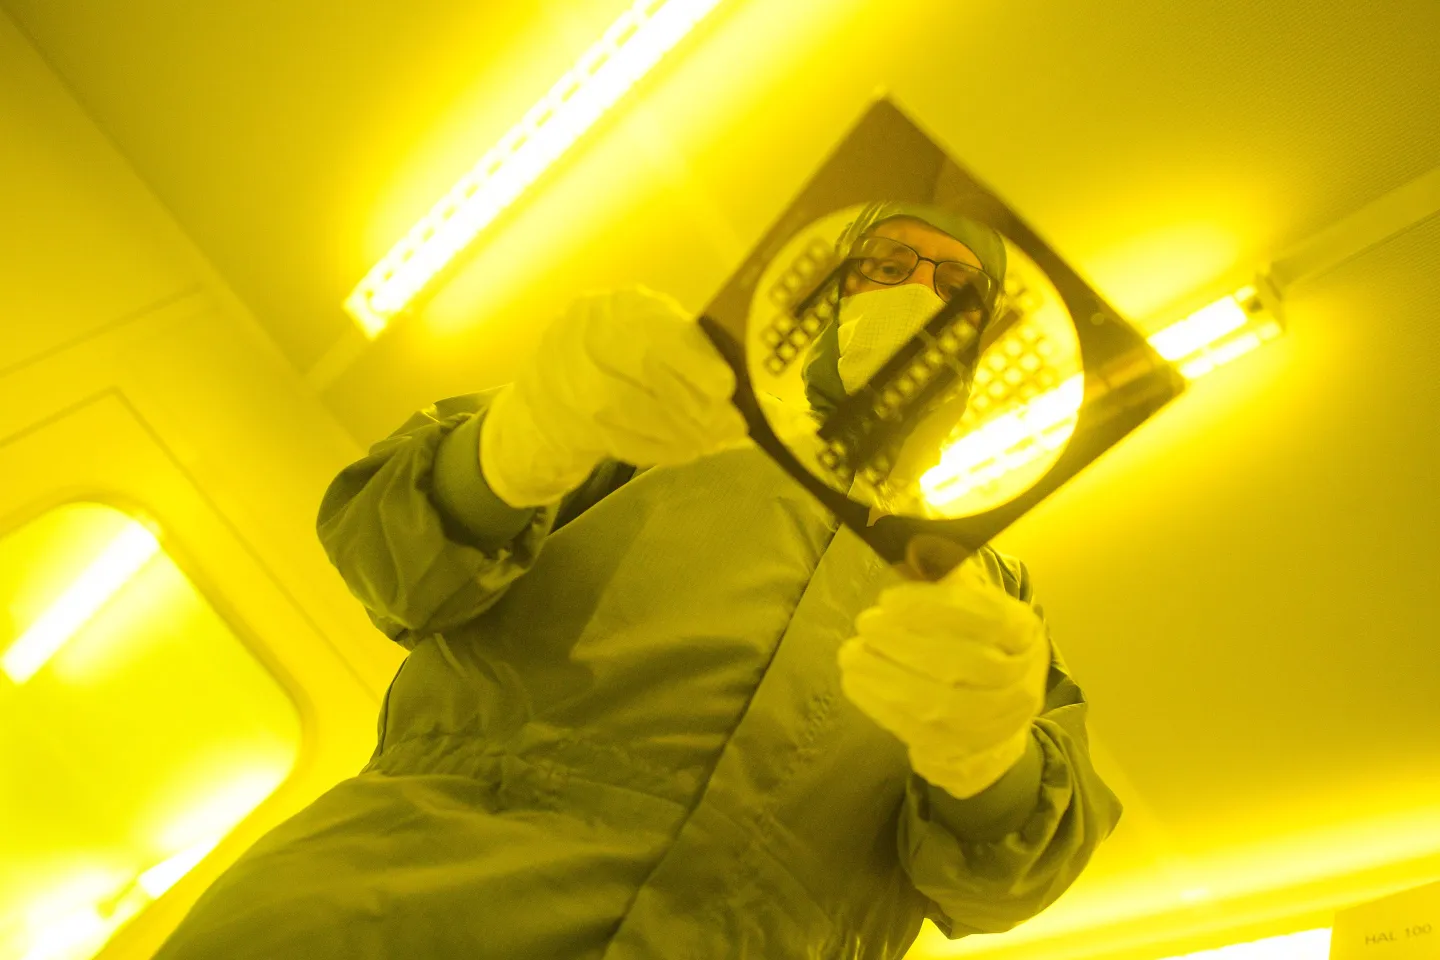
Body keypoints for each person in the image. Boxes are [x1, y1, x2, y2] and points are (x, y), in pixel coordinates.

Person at [152, 204, 1121, 959]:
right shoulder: (661, 421)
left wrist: (987, 760)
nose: (917, 290)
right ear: (828, 295)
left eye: (955, 285)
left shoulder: (988, 602)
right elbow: (392, 557)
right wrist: (521, 440)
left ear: (989, 345)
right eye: (885, 266)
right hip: (391, 906)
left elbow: (1003, 880)